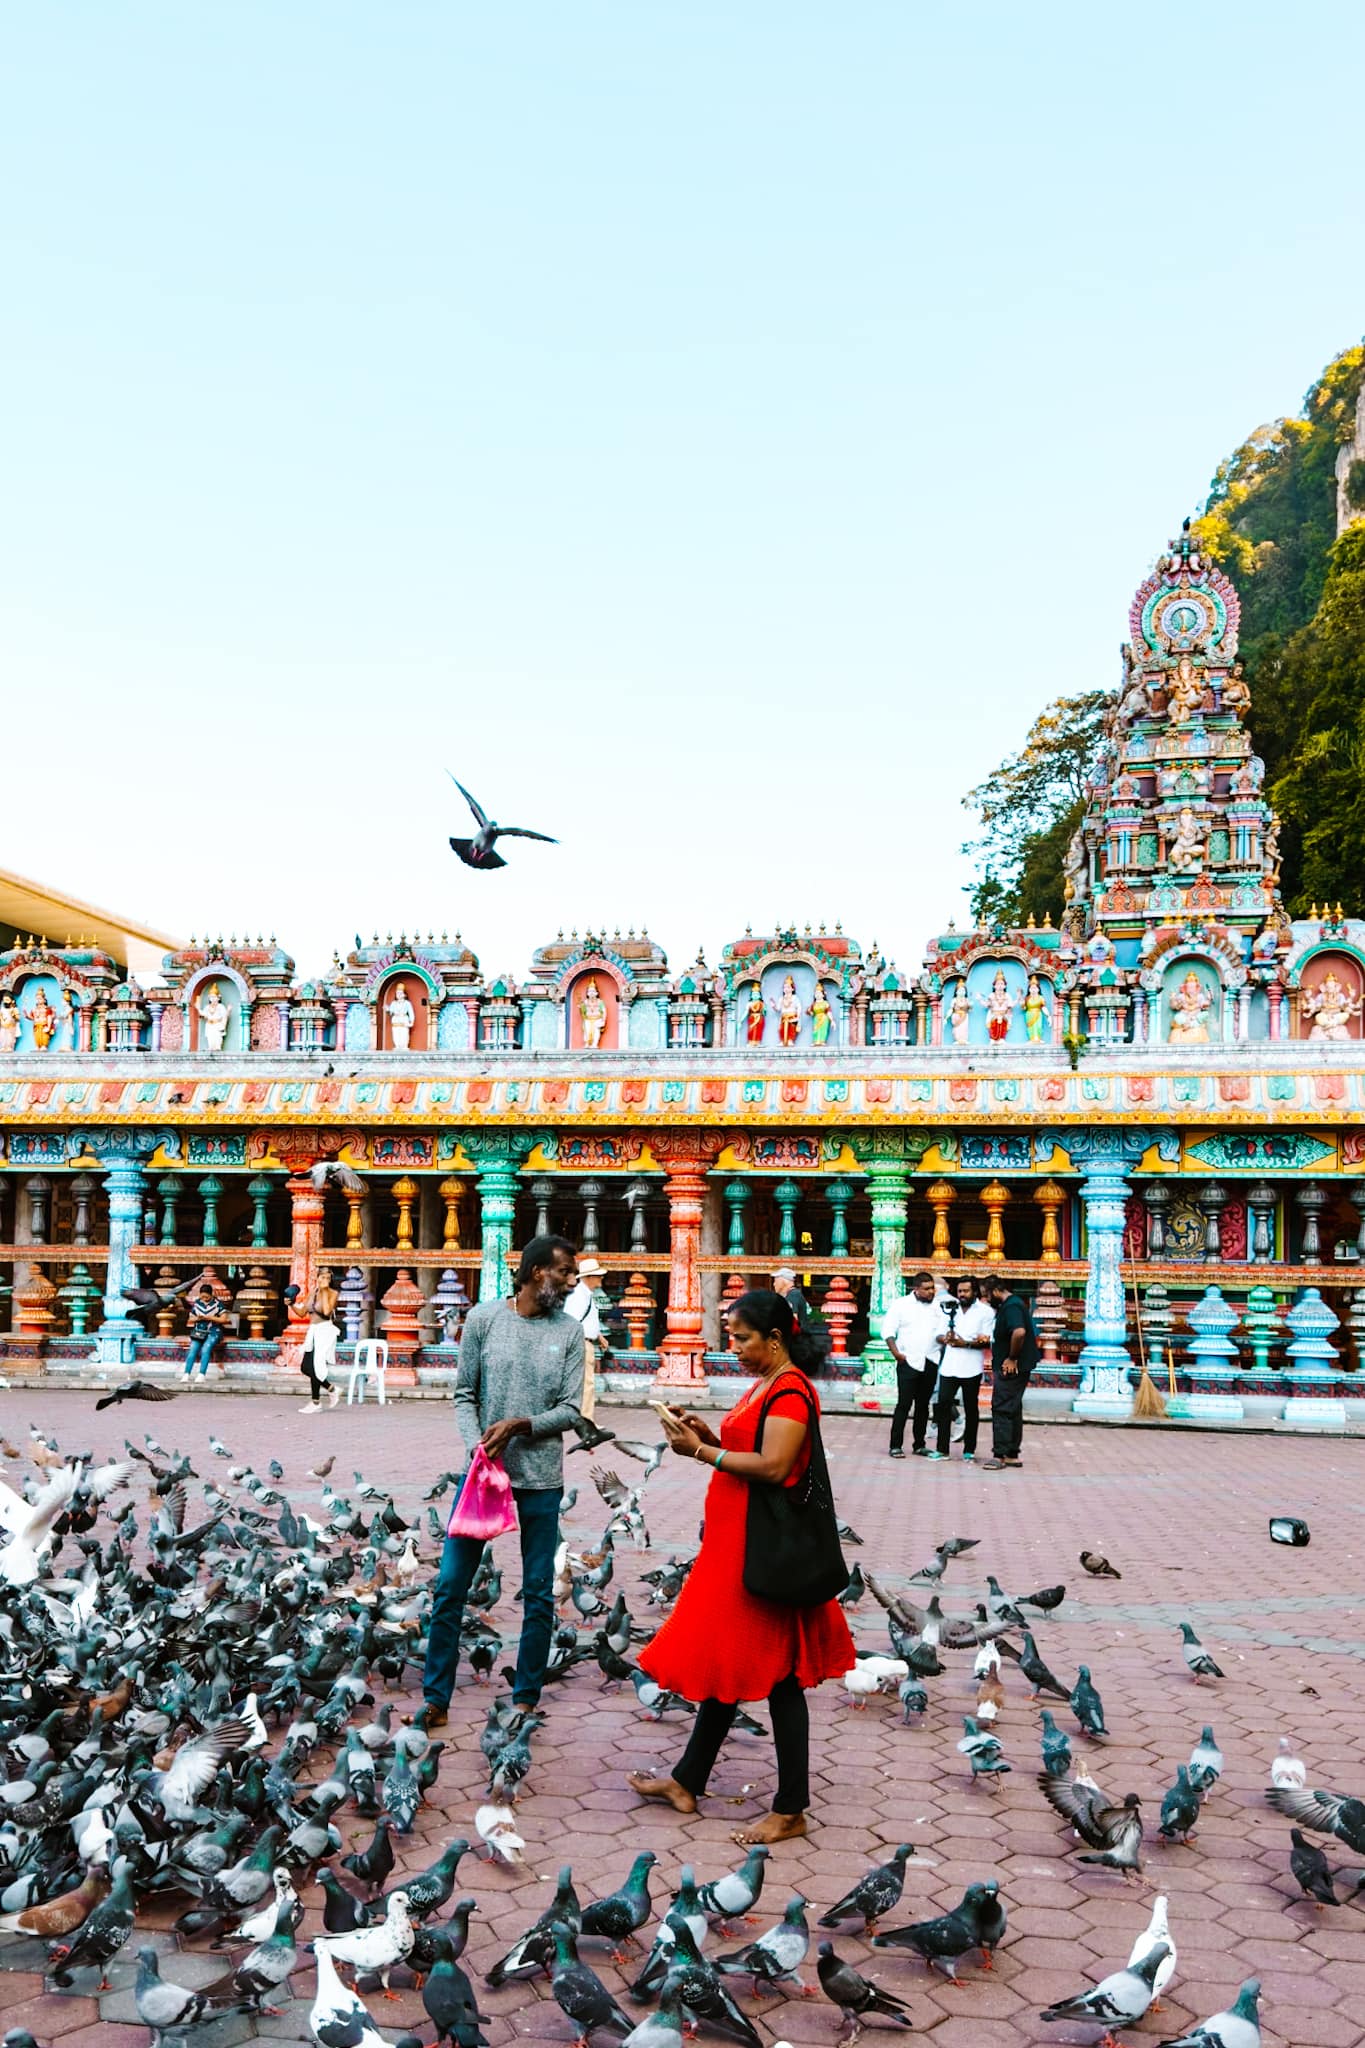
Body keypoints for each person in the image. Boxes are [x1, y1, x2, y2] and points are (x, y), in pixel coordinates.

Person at [627, 1289, 854, 1845]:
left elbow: (775, 1466)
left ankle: (791, 1807)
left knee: (779, 1677)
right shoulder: (768, 1385)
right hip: (738, 1548)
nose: (735, 1348)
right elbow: (749, 1448)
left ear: (774, 1339)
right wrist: (707, 1435)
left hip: (763, 1552)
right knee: (732, 1664)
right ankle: (687, 1781)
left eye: (742, 1339)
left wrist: (701, 1454)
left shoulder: (792, 1393)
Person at [423, 1235, 584, 1727]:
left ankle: (525, 1699)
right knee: (451, 1586)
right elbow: (464, 1394)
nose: (573, 1282)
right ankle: (435, 1697)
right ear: (537, 1272)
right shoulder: (484, 1319)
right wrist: (478, 1447)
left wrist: (520, 1425)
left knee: (537, 1592)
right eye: (565, 1273)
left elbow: (572, 1411)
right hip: (483, 1478)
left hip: (540, 1480)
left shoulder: (570, 1333)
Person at [929, 1276, 995, 1462]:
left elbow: (986, 1341)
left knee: (971, 1409)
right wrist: (946, 1339)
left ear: (975, 1291)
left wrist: (964, 1343)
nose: (962, 1295)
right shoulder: (950, 1308)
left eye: (966, 1291)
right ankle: (942, 1450)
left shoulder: (986, 1312)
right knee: (943, 1406)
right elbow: (938, 1335)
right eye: (959, 1291)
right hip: (949, 1365)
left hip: (972, 1367)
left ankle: (969, 1450)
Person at [883, 1270, 945, 1458]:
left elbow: (941, 1331)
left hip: (930, 1360)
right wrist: (897, 1354)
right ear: (916, 1289)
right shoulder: (901, 1305)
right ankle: (895, 1445)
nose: (931, 1292)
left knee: (923, 1405)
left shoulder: (939, 1307)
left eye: (932, 1288)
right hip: (908, 1360)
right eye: (926, 1289)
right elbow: (888, 1331)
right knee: (903, 1404)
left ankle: (919, 1444)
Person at [980, 1279, 1040, 1470]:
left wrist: (1012, 1357)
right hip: (1016, 1365)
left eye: (987, 1295)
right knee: (1013, 1407)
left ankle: (1000, 1454)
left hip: (1012, 1366)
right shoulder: (1012, 1305)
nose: (987, 1299)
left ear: (997, 1291)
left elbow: (1019, 1332)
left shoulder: (1012, 1307)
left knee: (1002, 1406)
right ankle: (1012, 1453)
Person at [563, 1255, 609, 1420]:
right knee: (587, 1384)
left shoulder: (586, 1294)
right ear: (589, 1277)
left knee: (585, 1383)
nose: (601, 1278)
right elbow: (573, 1321)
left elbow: (586, 1320)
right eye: (598, 1275)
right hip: (581, 1343)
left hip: (587, 1341)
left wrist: (599, 1336)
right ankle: (586, 1420)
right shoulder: (578, 1296)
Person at [299, 1265, 342, 1412]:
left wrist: (324, 1291)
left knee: (317, 1366)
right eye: (322, 1277)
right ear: (317, 1278)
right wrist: (291, 1303)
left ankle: (315, 1402)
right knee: (306, 1367)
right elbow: (301, 1312)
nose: (325, 1280)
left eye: (328, 1278)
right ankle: (331, 1389)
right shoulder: (313, 1292)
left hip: (325, 1331)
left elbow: (326, 1311)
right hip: (314, 1331)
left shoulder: (333, 1293)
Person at [182, 1282, 230, 1378]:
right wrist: (198, 1318)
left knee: (205, 1349)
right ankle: (186, 1374)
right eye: (202, 1297)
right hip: (198, 1332)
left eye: (207, 1297)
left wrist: (210, 1318)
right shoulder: (197, 1304)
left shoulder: (218, 1305)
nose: (204, 1299)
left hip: (213, 1331)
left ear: (211, 1295)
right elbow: (191, 1318)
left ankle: (201, 1374)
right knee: (193, 1350)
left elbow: (224, 1319)